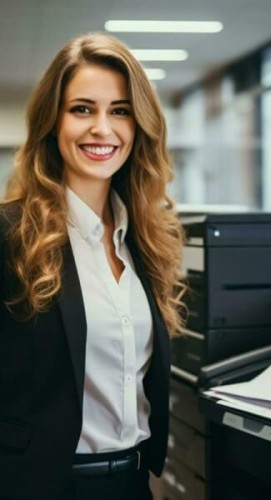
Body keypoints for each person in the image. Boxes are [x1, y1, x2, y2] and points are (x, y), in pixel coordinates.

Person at [0, 32, 186, 499]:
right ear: (52, 121)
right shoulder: (10, 235)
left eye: (120, 110)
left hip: (132, 483)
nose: (102, 128)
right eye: (82, 109)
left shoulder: (146, 240)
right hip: (39, 487)